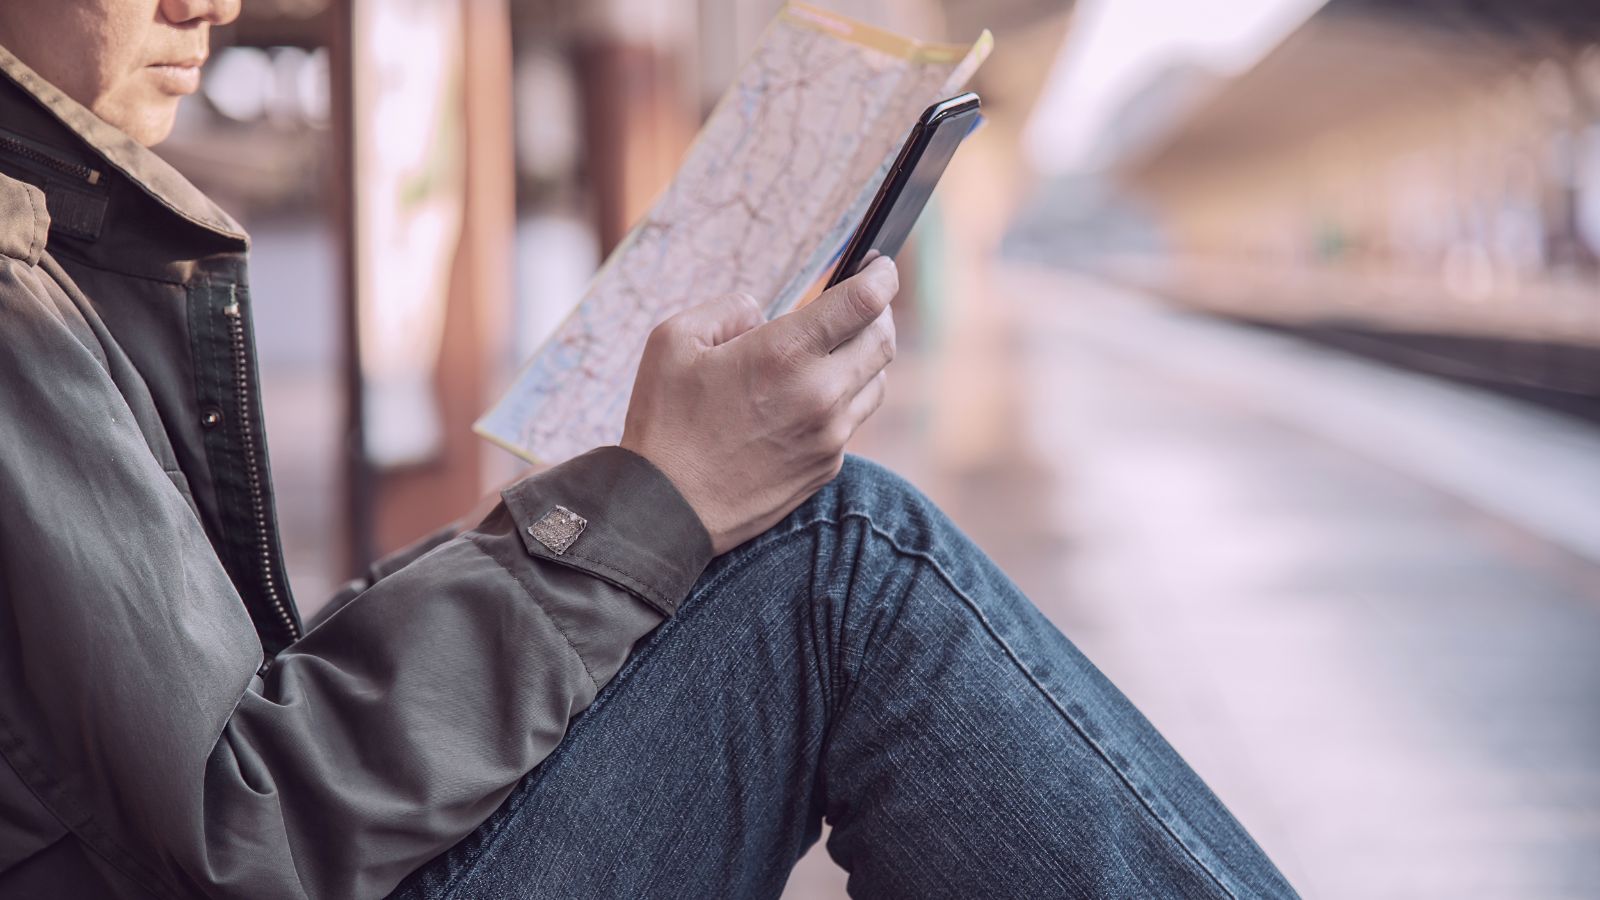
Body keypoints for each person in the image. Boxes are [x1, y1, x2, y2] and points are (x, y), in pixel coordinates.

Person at [0, 1, 1296, 897]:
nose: (209, 9)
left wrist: (590, 518)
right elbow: (247, 833)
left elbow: (239, 734)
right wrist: (652, 506)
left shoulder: (64, 255)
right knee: (845, 557)